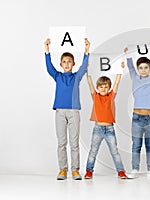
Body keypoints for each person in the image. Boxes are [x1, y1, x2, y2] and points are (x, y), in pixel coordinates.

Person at [44, 38, 90, 180]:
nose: (67, 64)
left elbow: (84, 67)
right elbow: (49, 68)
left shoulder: (76, 77)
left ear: (73, 63)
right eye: (64, 62)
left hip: (73, 112)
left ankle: (75, 170)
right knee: (62, 142)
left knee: (74, 143)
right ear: (61, 64)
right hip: (60, 112)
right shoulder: (57, 76)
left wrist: (86, 51)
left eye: (69, 61)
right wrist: (47, 50)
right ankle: (62, 170)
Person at [124, 43, 150, 179]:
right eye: (140, 68)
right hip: (137, 117)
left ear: (149, 68)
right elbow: (129, 66)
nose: (143, 70)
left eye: (146, 67)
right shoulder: (135, 77)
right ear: (138, 69)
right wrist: (128, 55)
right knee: (136, 144)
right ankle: (134, 169)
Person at [84, 62, 128, 179]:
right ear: (98, 88)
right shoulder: (95, 96)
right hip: (98, 128)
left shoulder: (111, 96)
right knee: (93, 151)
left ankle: (121, 171)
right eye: (101, 87)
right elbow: (89, 83)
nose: (103, 89)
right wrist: (88, 71)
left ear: (109, 88)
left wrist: (120, 70)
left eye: (106, 87)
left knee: (115, 151)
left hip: (109, 129)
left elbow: (117, 82)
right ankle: (89, 170)